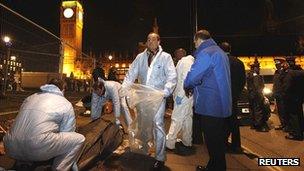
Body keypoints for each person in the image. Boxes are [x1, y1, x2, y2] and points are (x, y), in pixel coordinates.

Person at [121, 32, 177, 170]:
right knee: (143, 124)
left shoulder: (166, 57)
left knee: (158, 125)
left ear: (159, 41)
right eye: (148, 40)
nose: (150, 42)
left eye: (153, 39)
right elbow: (131, 73)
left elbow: (172, 76)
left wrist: (166, 91)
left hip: (157, 97)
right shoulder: (140, 57)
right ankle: (144, 149)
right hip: (143, 97)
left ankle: (160, 157)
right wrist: (124, 87)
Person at [4, 78, 85, 171]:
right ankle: (60, 168)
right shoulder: (65, 103)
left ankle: (23, 163)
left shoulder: (30, 97)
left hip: (10, 146)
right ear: (63, 89)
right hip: (36, 148)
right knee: (79, 139)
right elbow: (68, 131)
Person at [184, 29, 232, 171]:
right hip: (221, 103)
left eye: (194, 42)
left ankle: (217, 168)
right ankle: (213, 167)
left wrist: (186, 84)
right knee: (217, 142)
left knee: (212, 142)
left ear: (198, 40)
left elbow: (193, 77)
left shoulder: (206, 53)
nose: (195, 45)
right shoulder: (220, 52)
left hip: (211, 105)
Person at [220, 42, 246, 153]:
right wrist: (236, 93)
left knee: (223, 121)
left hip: (222, 95)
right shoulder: (239, 62)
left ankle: (223, 143)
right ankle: (236, 145)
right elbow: (242, 81)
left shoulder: (220, 62)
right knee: (234, 120)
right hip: (234, 95)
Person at [166, 53, 194, 152]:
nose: (174, 58)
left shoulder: (185, 62)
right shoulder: (188, 61)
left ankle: (170, 142)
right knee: (187, 119)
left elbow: (185, 80)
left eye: (176, 55)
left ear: (180, 54)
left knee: (176, 118)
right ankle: (187, 141)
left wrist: (180, 96)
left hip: (183, 96)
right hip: (187, 96)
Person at [247, 61, 270, 132]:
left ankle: (253, 124)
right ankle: (259, 126)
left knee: (253, 110)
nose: (259, 69)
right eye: (258, 68)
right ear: (254, 68)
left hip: (251, 95)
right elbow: (258, 88)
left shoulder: (249, 75)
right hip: (257, 96)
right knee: (258, 110)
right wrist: (261, 96)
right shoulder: (256, 76)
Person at [273, 57, 289, 131]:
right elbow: (275, 84)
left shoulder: (284, 72)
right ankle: (282, 124)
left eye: (278, 63)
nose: (276, 65)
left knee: (284, 111)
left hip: (283, 95)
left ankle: (286, 125)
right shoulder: (276, 72)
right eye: (275, 64)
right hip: (277, 94)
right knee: (279, 111)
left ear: (282, 64)